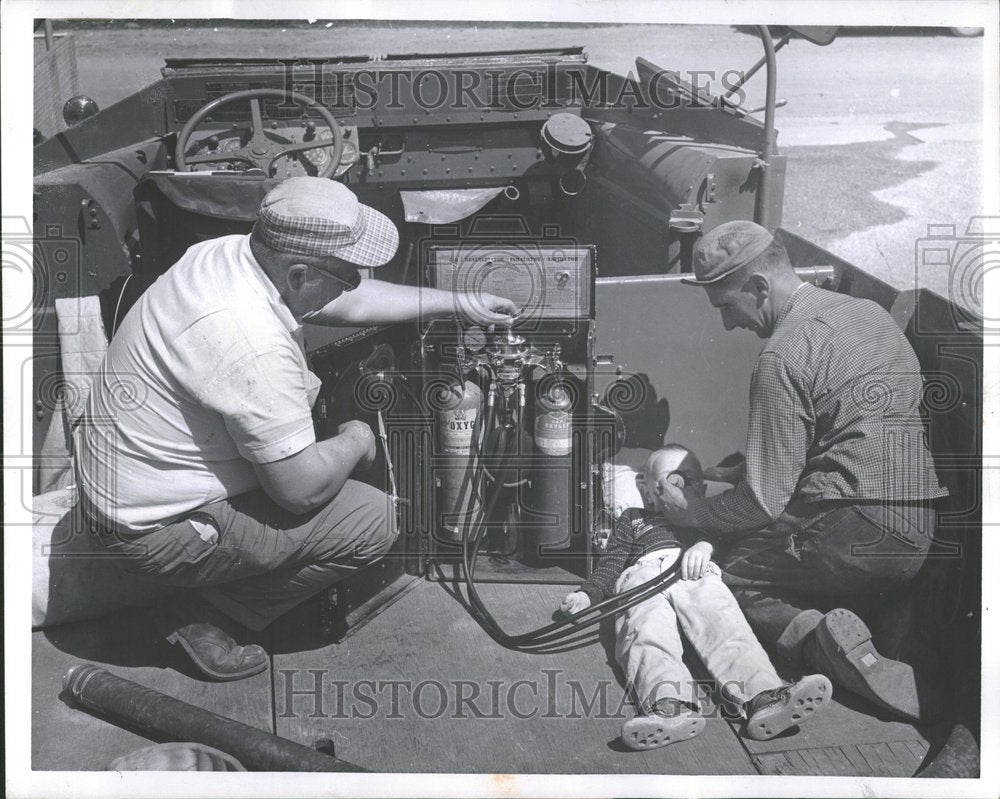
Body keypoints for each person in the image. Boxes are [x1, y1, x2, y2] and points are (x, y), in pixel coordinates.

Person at [75, 177, 518, 681]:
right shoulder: (250, 339)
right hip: (151, 534)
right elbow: (299, 493)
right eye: (349, 273)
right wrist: (358, 440)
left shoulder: (227, 256)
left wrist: (454, 301)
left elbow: (342, 301)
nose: (356, 280)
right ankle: (207, 615)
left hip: (122, 488)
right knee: (372, 521)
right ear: (302, 273)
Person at [655, 220, 948, 721]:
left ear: (759, 287)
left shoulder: (781, 355)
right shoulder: (869, 314)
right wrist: (747, 467)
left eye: (727, 306)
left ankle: (836, 649)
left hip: (851, 526)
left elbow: (762, 503)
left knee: (733, 577)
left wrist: (694, 515)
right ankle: (881, 621)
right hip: (917, 534)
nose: (729, 324)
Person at [559, 445, 831, 751]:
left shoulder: (704, 517)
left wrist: (704, 545)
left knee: (723, 624)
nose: (681, 486)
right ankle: (669, 706)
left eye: (688, 480)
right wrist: (588, 593)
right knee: (644, 633)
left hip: (694, 571)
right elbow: (612, 561)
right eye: (669, 481)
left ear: (701, 489)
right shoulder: (633, 518)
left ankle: (765, 697)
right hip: (641, 576)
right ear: (648, 493)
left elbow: (728, 539)